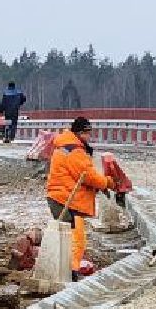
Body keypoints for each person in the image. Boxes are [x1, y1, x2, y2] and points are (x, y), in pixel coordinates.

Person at [44, 116, 111, 280]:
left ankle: (64, 270)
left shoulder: (66, 146)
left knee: (68, 238)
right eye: (88, 133)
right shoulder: (75, 150)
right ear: (81, 133)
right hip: (66, 200)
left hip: (60, 198)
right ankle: (71, 272)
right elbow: (88, 175)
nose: (90, 137)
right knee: (76, 238)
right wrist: (107, 182)